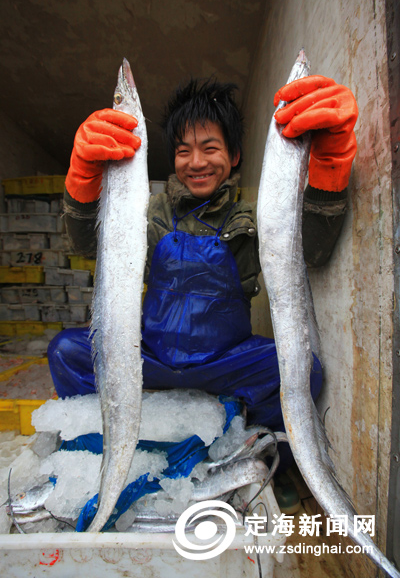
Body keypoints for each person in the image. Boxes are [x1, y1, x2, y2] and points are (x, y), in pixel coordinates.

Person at [48, 75, 358, 485]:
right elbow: (88, 245)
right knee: (65, 351)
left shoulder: (251, 217)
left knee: (305, 373)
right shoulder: (149, 210)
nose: (196, 162)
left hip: (224, 362)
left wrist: (330, 165)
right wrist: (83, 181)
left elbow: (313, 252)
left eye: (210, 148)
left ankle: (262, 455)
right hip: (151, 358)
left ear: (234, 155)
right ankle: (101, 446)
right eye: (183, 151)